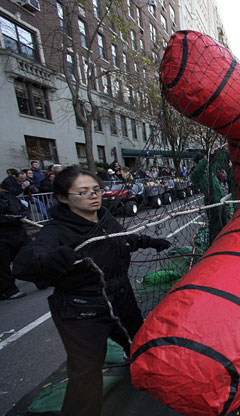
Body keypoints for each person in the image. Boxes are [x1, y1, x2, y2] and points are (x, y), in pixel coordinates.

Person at [13, 167, 171, 416]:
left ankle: (147, 375)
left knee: (138, 341)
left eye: (96, 190)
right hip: (81, 309)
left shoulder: (104, 218)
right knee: (86, 372)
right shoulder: (56, 232)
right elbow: (27, 264)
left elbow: (121, 239)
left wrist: (149, 242)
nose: (93, 196)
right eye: (83, 192)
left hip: (120, 297)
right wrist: (62, 256)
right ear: (63, 197)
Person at [0, 187, 30, 300]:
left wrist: (23, 215)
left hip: (18, 233)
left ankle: (41, 280)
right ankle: (9, 290)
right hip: (2, 235)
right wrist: (10, 218)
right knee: (3, 264)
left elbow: (22, 206)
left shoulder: (7, 195)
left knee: (30, 254)